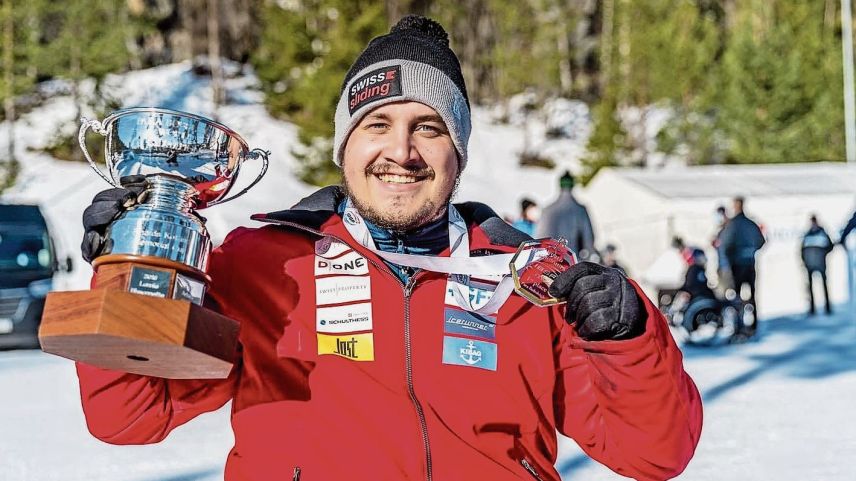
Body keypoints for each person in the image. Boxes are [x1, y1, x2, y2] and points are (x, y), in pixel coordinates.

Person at [74, 16, 702, 481]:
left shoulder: (530, 279)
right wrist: (127, 269)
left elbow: (653, 452)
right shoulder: (262, 263)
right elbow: (131, 418)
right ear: (344, 147)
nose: (401, 153)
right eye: (377, 125)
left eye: (427, 128)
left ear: (457, 153)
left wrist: (628, 337)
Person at [719, 196, 765, 338]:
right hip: (750, 263)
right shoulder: (751, 224)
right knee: (752, 295)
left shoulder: (733, 225)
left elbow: (725, 244)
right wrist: (750, 251)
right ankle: (754, 325)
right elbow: (761, 241)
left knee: (737, 297)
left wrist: (731, 257)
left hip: (738, 265)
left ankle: (739, 326)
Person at [535, 170, 596, 260]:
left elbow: (540, 239)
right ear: (572, 185)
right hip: (573, 263)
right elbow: (589, 241)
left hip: (550, 263)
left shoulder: (548, 210)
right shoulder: (580, 210)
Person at [801, 214, 834, 316]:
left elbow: (830, 246)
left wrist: (822, 254)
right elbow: (802, 250)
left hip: (821, 264)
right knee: (810, 288)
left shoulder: (823, 233)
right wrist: (805, 261)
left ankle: (827, 308)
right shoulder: (807, 234)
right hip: (810, 265)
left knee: (824, 286)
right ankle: (812, 309)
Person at [711, 205, 733, 297]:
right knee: (721, 293)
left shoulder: (730, 228)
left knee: (727, 293)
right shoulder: (721, 231)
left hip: (727, 266)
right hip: (721, 266)